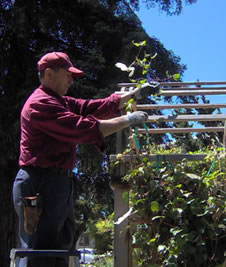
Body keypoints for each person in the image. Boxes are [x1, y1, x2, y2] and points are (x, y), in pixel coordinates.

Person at [12, 52, 159, 267]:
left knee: (61, 244)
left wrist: (133, 95)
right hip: (39, 183)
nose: (72, 80)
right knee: (41, 251)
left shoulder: (59, 101)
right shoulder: (40, 105)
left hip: (56, 182)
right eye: (68, 75)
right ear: (50, 74)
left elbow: (90, 107)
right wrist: (127, 119)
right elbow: (82, 129)